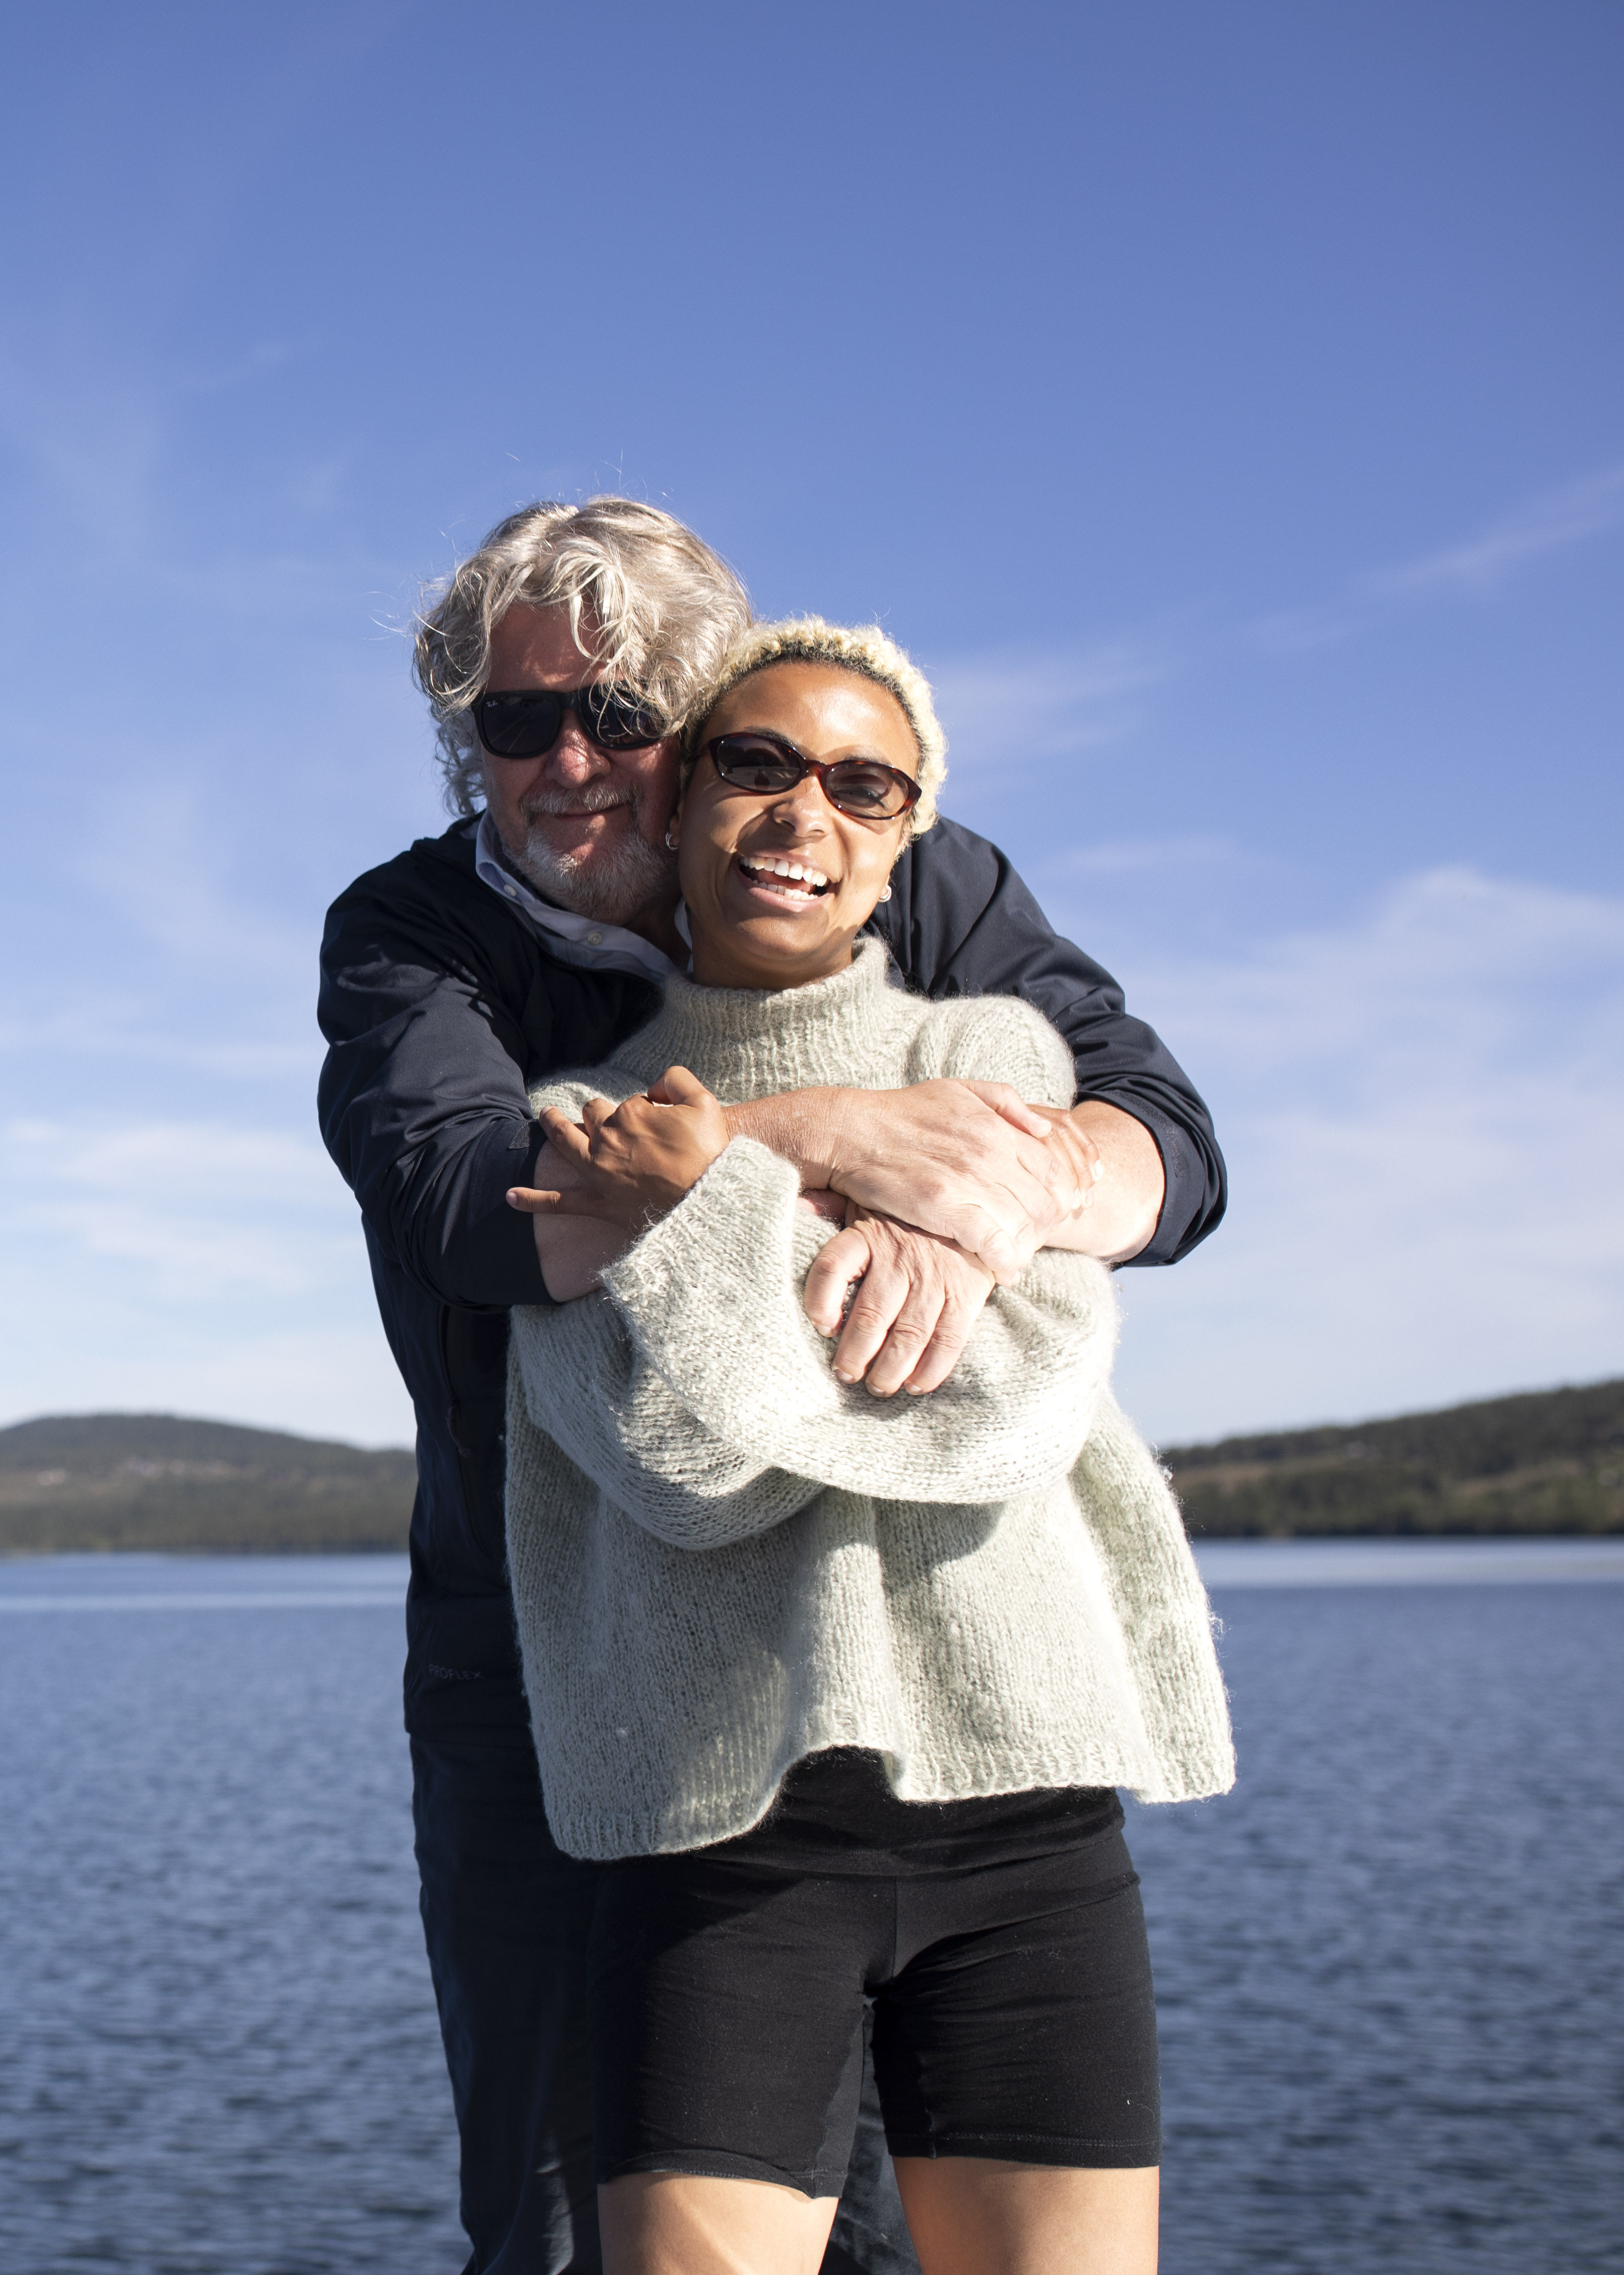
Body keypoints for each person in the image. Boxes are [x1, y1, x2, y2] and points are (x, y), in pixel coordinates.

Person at [313, 499, 1225, 2275]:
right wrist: (833, 1138)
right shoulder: (415, 934)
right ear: (465, 742)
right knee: (571, 2222)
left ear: (703, 714)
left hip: (920, 1702)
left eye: (625, 715)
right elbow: (481, 1208)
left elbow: (1164, 1154)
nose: (572, 761)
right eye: (515, 723)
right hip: (547, 1652)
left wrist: (985, 1208)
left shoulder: (904, 863)